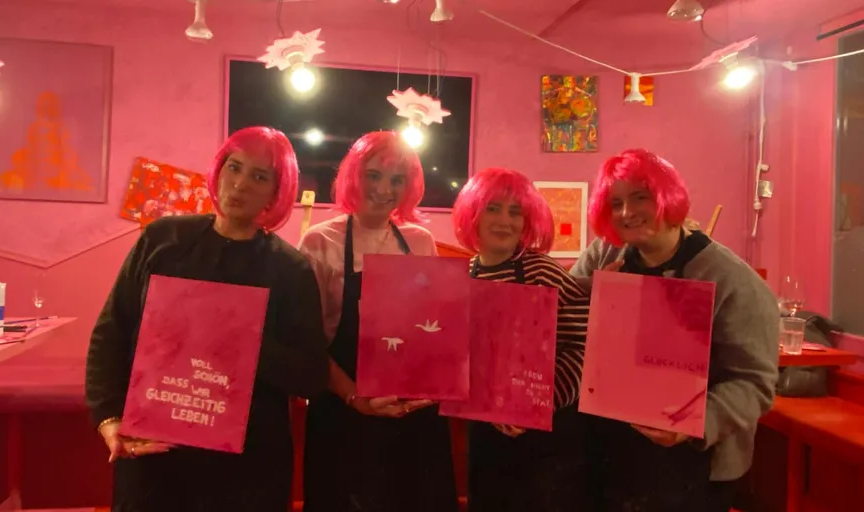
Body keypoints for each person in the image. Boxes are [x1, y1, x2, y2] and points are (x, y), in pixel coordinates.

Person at [85, 126, 329, 511]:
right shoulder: (163, 240)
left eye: (259, 176)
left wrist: (242, 340)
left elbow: (311, 376)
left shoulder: (290, 268)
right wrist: (109, 417)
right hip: (155, 455)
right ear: (218, 171)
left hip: (245, 469)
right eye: (234, 167)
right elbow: (111, 332)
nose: (241, 184)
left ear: (275, 193)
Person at [569, 149, 780, 512]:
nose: (626, 213)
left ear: (668, 198)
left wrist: (695, 423)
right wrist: (596, 291)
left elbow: (754, 383)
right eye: (615, 202)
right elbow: (567, 317)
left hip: (692, 463)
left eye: (640, 197)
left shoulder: (730, 278)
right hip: (608, 452)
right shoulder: (604, 254)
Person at [298, 131, 458, 512]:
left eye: (397, 179)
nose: (384, 188)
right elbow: (308, 341)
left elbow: (430, 325)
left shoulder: (419, 241)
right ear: (354, 175)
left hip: (411, 413)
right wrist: (355, 396)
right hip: (344, 409)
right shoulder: (319, 243)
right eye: (374, 175)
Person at [451, 167, 593, 512]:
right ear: (473, 214)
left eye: (516, 212)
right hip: (484, 430)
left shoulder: (539, 270)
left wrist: (536, 407)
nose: (505, 221)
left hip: (543, 436)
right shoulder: (464, 274)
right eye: (493, 208)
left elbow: (582, 345)